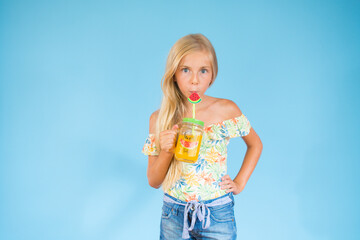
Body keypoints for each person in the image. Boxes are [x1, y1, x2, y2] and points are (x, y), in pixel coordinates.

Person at [142, 33, 263, 240]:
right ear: (174, 74)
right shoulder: (159, 118)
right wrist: (166, 150)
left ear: (212, 75)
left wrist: (239, 182)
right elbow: (154, 181)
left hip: (217, 214)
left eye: (203, 71)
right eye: (186, 70)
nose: (195, 80)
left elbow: (255, 145)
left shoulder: (226, 110)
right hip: (174, 213)